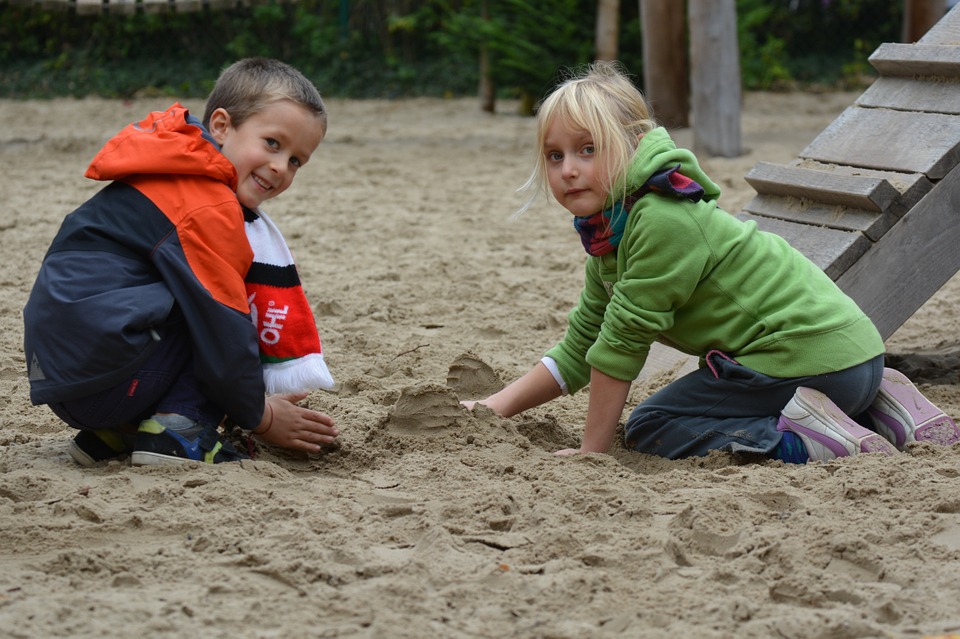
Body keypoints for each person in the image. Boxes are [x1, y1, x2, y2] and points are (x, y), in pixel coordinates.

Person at [461, 61, 960, 463]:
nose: (569, 169)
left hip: (809, 362)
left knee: (654, 426)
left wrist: (593, 452)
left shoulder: (662, 221)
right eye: (554, 155)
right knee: (689, 401)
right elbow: (581, 345)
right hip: (854, 357)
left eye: (588, 149)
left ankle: (812, 439)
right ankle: (888, 406)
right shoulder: (614, 236)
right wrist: (492, 408)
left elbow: (619, 347)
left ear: (632, 144)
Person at [23, 58, 340, 466]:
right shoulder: (207, 204)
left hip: (63, 375)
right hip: (105, 378)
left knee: (183, 297)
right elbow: (223, 332)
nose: (280, 167)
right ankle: (178, 430)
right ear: (222, 126)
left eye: (297, 160)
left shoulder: (171, 168)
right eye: (273, 144)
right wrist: (262, 416)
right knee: (214, 316)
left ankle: (118, 433)